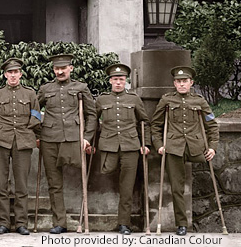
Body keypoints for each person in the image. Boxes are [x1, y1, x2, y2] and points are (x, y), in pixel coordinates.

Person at [150, 66, 218, 236]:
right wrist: (159, 144)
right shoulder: (166, 100)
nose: (181, 84)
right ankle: (182, 224)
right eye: (178, 81)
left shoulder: (200, 101)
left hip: (196, 148)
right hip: (173, 148)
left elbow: (212, 125)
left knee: (207, 179)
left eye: (184, 81)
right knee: (176, 187)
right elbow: (156, 125)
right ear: (174, 83)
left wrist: (212, 147)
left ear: (191, 83)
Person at [36, 53, 96, 234]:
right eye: (57, 69)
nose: (60, 71)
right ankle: (60, 223)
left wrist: (87, 137)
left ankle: (84, 219)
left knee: (83, 178)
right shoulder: (45, 89)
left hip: (74, 138)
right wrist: (38, 133)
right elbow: (34, 111)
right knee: (54, 183)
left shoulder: (81, 87)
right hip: (49, 139)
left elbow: (91, 114)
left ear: (71, 68)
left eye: (63, 68)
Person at [0, 58, 40, 236]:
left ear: (20, 74)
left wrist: (34, 135)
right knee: (1, 185)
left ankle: (21, 223)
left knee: (22, 186)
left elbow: (37, 116)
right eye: (10, 72)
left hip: (23, 142)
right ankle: (3, 223)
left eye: (16, 72)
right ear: (5, 75)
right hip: (0, 141)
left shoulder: (30, 94)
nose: (13, 75)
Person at [93, 63, 149, 235]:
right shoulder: (102, 100)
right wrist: (90, 143)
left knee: (127, 186)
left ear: (126, 81)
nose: (118, 82)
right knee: (105, 173)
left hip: (130, 146)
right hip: (108, 146)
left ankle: (124, 223)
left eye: (121, 79)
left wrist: (145, 144)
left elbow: (144, 122)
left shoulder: (134, 99)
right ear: (110, 81)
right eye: (115, 79)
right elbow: (93, 122)